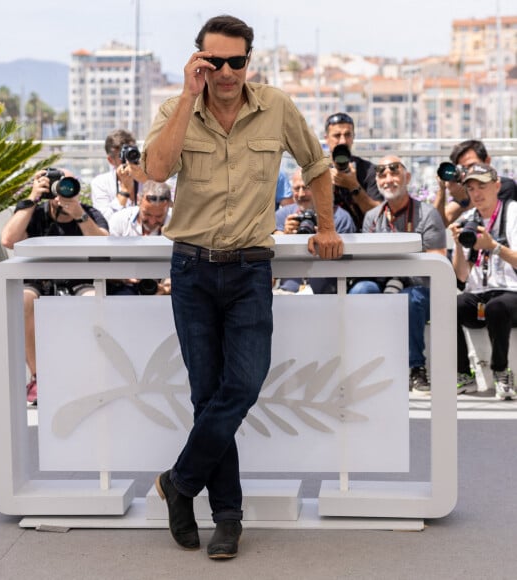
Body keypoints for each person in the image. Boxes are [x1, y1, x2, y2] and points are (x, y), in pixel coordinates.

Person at [141, 14, 343, 559]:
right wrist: (188, 95)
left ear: (249, 61)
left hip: (251, 267)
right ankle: (227, 518)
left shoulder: (275, 105)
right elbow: (155, 170)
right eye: (215, 62)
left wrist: (325, 226)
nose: (226, 73)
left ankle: (178, 484)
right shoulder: (178, 106)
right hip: (191, 270)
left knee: (244, 384)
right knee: (208, 395)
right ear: (198, 60)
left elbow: (317, 164)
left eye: (237, 61)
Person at [0, 168, 109, 405]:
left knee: (94, 301)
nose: (63, 190)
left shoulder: (88, 213)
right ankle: (39, 377)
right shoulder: (34, 212)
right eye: (58, 184)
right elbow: (8, 239)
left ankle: (87, 377)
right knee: (24, 300)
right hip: (38, 279)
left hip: (78, 280)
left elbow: (104, 245)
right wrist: (31, 198)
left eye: (69, 184)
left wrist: (79, 214)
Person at [349, 155, 447, 393]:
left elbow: (438, 261)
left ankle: (416, 367)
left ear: (408, 177)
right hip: (381, 283)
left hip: (419, 287)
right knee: (361, 291)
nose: (388, 179)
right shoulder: (372, 218)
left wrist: (399, 272)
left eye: (394, 172)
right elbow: (366, 263)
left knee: (409, 298)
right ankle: (361, 362)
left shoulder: (427, 214)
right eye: (382, 174)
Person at [450, 163, 517, 400]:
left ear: (497, 185)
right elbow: (461, 277)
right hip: (479, 294)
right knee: (450, 307)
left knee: (497, 307)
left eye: (482, 186)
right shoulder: (468, 218)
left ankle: (500, 371)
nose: (476, 193)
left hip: (511, 293)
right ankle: (463, 374)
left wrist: (495, 248)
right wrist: (458, 246)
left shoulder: (513, 213)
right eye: (471, 188)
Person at [274, 167, 356, 293]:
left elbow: (348, 260)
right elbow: (272, 254)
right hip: (288, 291)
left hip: (327, 294)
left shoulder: (340, 217)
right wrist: (285, 236)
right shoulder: (283, 215)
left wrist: (325, 236)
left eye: (307, 187)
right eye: (297, 188)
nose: (301, 194)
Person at [108, 180, 173, 295]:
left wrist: (167, 288)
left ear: (169, 206)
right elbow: (106, 261)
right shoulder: (119, 220)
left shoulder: (178, 225)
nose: (152, 221)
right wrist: (122, 276)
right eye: (147, 214)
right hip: (124, 286)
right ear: (138, 200)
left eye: (159, 216)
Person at [434, 139, 517, 227]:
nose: (467, 172)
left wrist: (465, 199)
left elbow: (490, 216)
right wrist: (441, 189)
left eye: (472, 165)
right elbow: (437, 224)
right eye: (461, 168)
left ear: (487, 161)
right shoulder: (464, 190)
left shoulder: (504, 186)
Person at [324, 112, 382, 231]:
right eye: (337, 135)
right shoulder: (318, 170)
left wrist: (354, 186)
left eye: (347, 135)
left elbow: (378, 214)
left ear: (353, 137)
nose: (343, 141)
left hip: (361, 235)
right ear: (326, 139)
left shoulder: (368, 170)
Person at [90, 129, 148, 220]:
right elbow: (104, 220)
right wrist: (124, 191)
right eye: (123, 156)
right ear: (111, 160)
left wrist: (147, 181)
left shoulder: (151, 177)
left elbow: (170, 207)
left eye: (132, 153)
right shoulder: (100, 183)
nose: (129, 159)